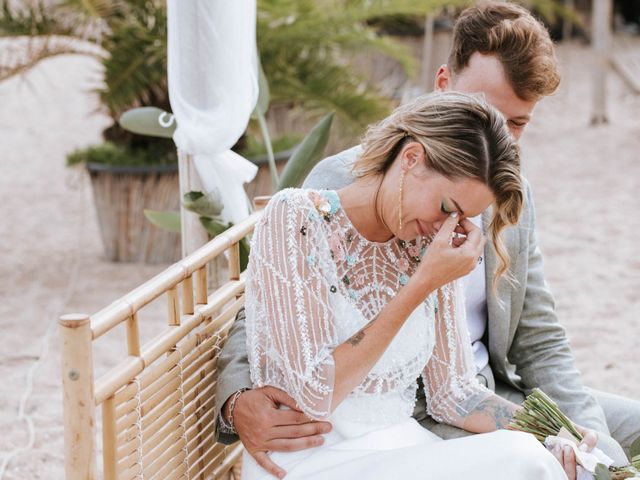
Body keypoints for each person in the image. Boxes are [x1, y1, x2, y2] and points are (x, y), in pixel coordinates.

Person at [215, 2, 640, 479]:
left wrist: (557, 429)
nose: (495, 136)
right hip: (349, 438)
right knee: (532, 462)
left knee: (593, 450)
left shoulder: (484, 194)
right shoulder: (323, 198)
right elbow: (268, 318)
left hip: (468, 399)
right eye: (483, 113)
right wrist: (235, 403)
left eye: (515, 124)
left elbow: (498, 362)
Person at [240, 91, 574, 479]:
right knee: (522, 459)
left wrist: (555, 431)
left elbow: (453, 394)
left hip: (401, 448)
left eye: (465, 218)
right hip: (311, 459)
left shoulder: (428, 247)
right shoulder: (295, 218)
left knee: (546, 456)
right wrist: (420, 285)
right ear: (411, 158)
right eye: (448, 208)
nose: (445, 226)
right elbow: (315, 395)